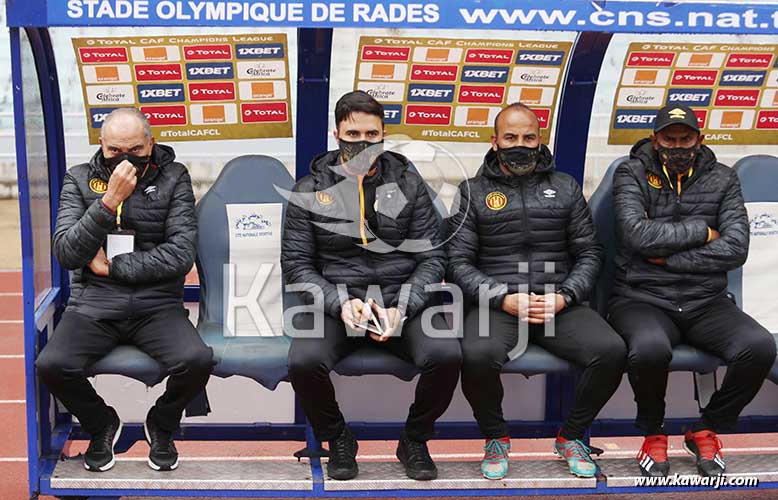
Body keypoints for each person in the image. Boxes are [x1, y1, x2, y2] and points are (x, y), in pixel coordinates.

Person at [282, 90, 461, 481]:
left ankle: (414, 439)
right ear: (336, 135)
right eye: (352, 134)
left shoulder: (410, 186)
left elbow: (433, 258)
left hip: (401, 302)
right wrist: (340, 303)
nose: (362, 143)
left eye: (371, 134)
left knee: (447, 355)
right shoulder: (308, 190)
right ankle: (337, 437)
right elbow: (296, 265)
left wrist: (403, 307)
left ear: (383, 136)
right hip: (338, 304)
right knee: (302, 362)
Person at [447, 102, 627, 480]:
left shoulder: (564, 186)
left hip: (556, 301)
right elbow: (457, 262)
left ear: (539, 139)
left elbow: (590, 252)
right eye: (511, 137)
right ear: (494, 141)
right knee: (476, 354)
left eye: (529, 137)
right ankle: (496, 438)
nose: (521, 145)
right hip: (499, 303)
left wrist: (565, 295)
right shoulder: (472, 191)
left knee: (611, 351)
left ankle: (572, 436)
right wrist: (502, 297)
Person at [36, 108, 213, 472]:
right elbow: (68, 252)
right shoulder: (79, 178)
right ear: (101, 145)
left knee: (197, 361)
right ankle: (101, 423)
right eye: (115, 150)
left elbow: (181, 254)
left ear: (150, 142)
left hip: (156, 303)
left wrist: (111, 266)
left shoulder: (174, 176)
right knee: (51, 365)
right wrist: (108, 202)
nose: (125, 158)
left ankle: (161, 424)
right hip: (95, 303)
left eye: (135, 148)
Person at [609, 104, 776, 478]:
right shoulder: (631, 172)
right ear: (655, 139)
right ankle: (653, 432)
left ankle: (706, 426)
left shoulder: (723, 178)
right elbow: (637, 236)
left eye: (686, 138)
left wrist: (667, 260)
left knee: (760, 347)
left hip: (705, 299)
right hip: (642, 297)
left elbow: (736, 248)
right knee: (650, 349)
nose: (678, 146)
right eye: (670, 138)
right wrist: (702, 232)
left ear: (700, 139)